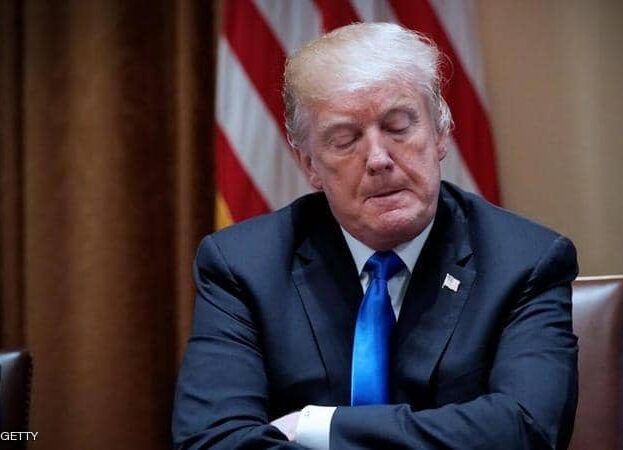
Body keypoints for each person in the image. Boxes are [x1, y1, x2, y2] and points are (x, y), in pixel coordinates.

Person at [173, 22, 578, 450]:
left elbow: (526, 429)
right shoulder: (243, 266)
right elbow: (211, 439)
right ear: (309, 164)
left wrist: (320, 427)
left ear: (440, 132)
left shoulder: (524, 261)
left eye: (398, 126)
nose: (378, 159)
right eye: (345, 140)